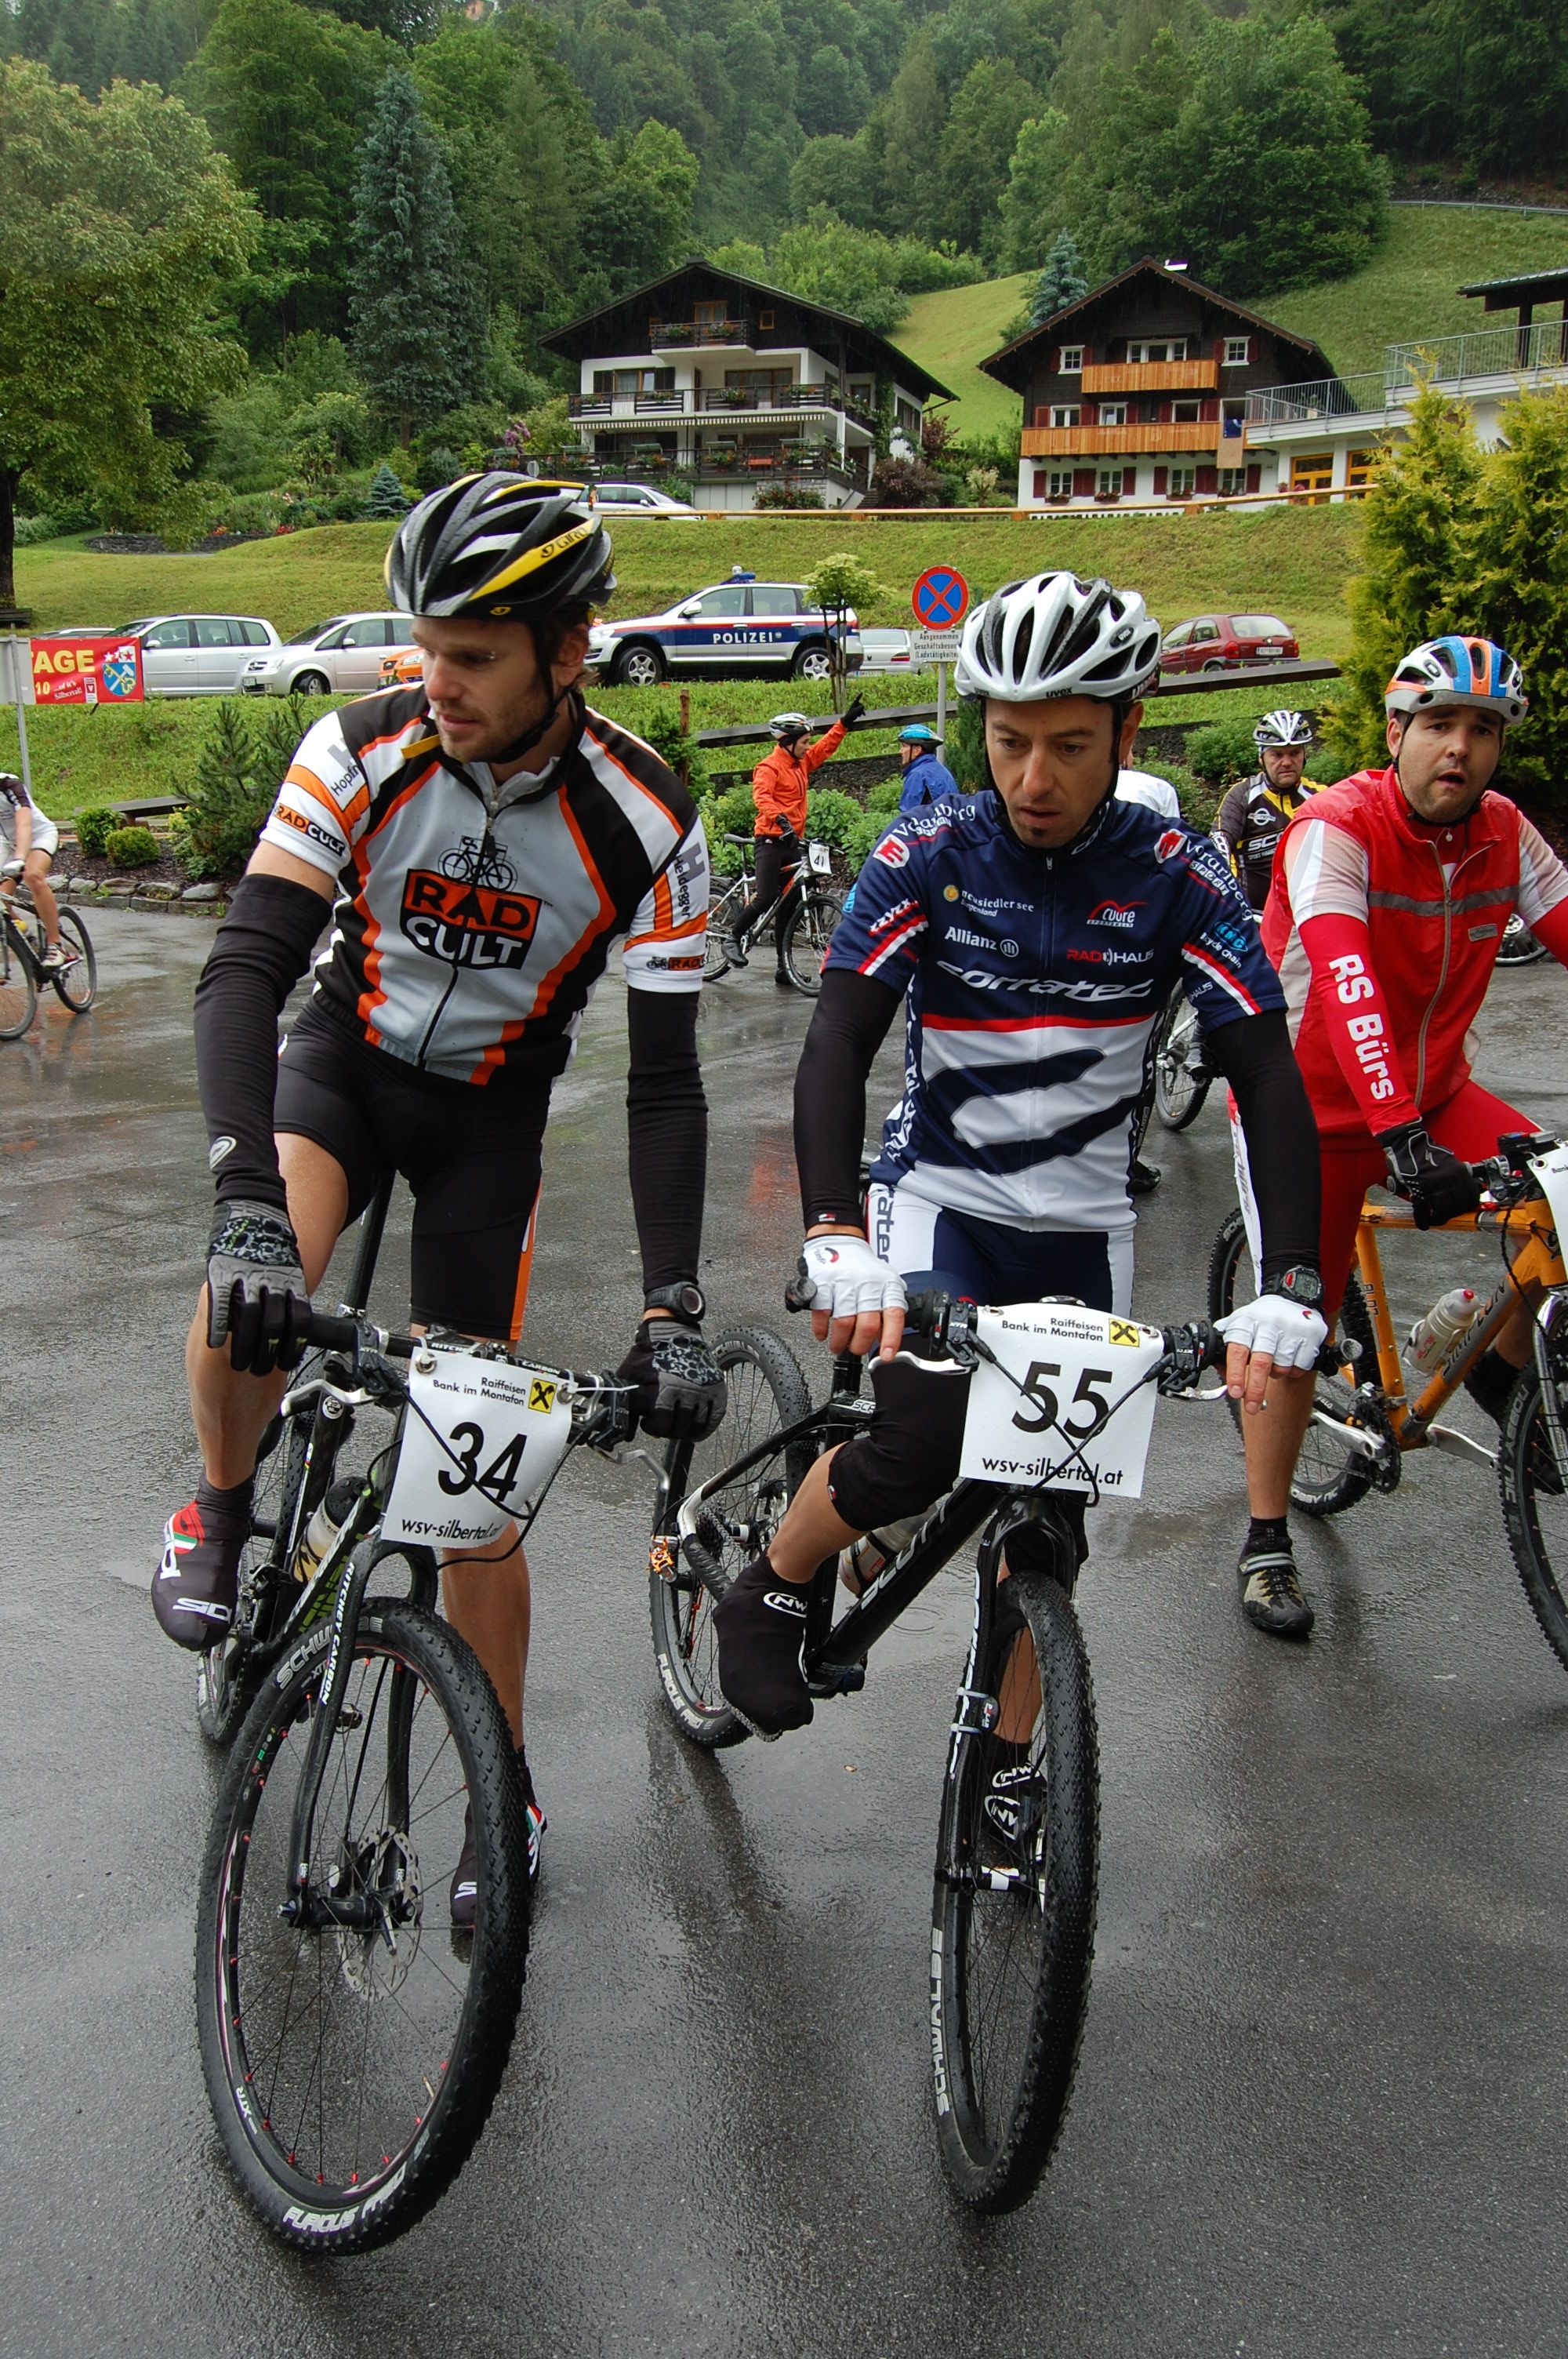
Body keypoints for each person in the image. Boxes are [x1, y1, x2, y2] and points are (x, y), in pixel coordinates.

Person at [153, 474, 728, 1910]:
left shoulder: (651, 818)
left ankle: (500, 1778)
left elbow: (667, 1086)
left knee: (478, 1475)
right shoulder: (361, 745)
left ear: (569, 652)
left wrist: (670, 1304)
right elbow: (246, 965)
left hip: (489, 1121)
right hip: (342, 1068)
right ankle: (221, 1505)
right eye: (425, 647)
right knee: (245, 1292)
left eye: (472, 655)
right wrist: (243, 1198)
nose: (436, 680)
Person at [710, 569, 1332, 1737]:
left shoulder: (1179, 873)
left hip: (1086, 1227)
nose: (1034, 779)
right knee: (916, 1446)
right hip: (941, 1199)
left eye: (1070, 746)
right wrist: (832, 1227)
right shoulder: (928, 850)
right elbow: (837, 1041)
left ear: (1128, 732)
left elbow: (1265, 1072)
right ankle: (775, 1583)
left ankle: (1011, 1771)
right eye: (1008, 743)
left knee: (1054, 1518)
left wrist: (1291, 1277)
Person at [1240, 634, 1568, 1616]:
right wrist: (1397, 1132)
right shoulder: (1333, 827)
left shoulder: (1502, 830)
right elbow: (1345, 981)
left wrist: (1412, 1121)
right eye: (1437, 724)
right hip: (1305, 1109)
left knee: (1558, 1205)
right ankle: (1263, 1539)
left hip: (1430, 1094)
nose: (1458, 747)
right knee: (1294, 1323)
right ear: (1394, 733)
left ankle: (1500, 1374)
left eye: (1481, 729)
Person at [724, 698, 866, 981]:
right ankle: (733, 937)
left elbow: (824, 749)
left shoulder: (800, 763)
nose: (807, 747)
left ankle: (783, 968)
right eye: (804, 742)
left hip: (791, 841)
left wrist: (845, 723)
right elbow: (762, 797)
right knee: (766, 897)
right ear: (788, 742)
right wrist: (780, 820)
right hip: (770, 840)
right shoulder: (768, 767)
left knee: (788, 908)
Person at [1214, 711, 1318, 911]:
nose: (1286, 762)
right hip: (1251, 915)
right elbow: (1219, 843)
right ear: (1261, 757)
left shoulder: (1319, 796)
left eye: (1294, 753)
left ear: (1305, 755)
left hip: (1305, 911)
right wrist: (1227, 897)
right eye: (1277, 755)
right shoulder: (1243, 796)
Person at [0, 772, 69, 969]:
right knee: (1, 901)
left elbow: (24, 823)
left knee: (33, 875)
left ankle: (56, 945)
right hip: (9, 844)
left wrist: (21, 858)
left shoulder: (8, 785)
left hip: (39, 836)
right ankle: (26, 937)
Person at [895, 723, 959, 812]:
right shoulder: (942, 770)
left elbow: (908, 814)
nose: (900, 751)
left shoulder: (917, 774)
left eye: (904, 746)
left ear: (917, 750)